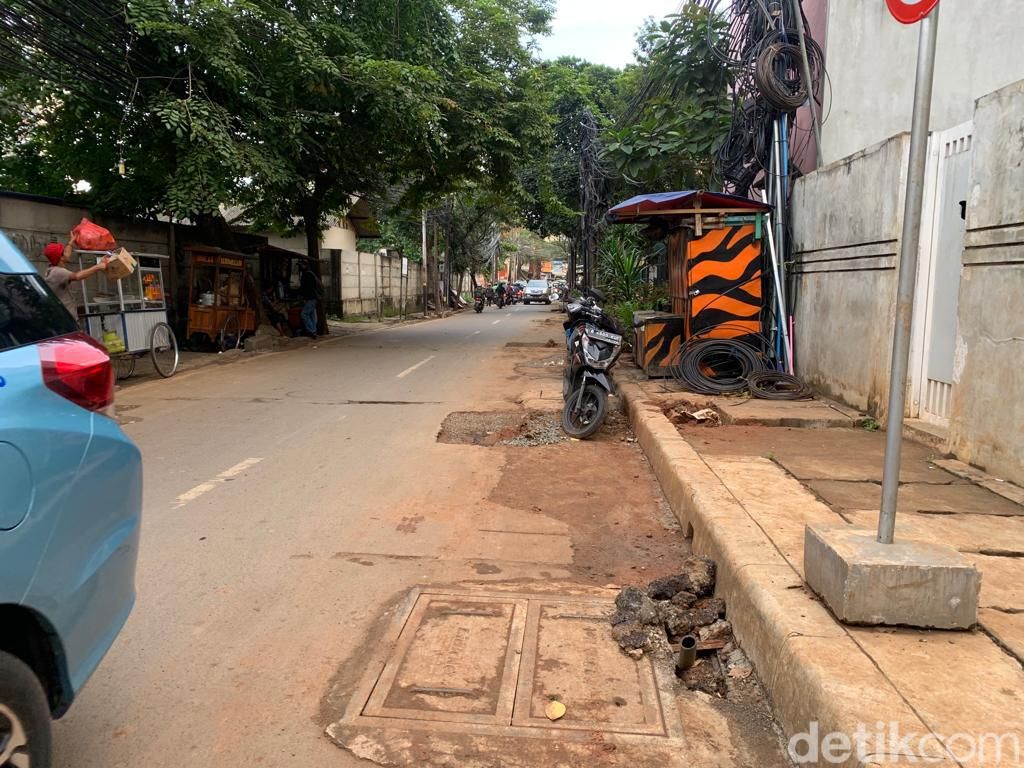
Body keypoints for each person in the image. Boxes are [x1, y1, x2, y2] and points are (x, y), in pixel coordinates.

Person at [42, 241, 108, 319]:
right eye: (64, 252)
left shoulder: (53, 268)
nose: (67, 253)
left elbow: (67, 254)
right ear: (61, 257)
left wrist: (71, 242)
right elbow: (77, 276)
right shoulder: (57, 272)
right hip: (66, 320)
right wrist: (98, 266)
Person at [299, 263, 323, 338]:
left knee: (304, 314)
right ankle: (313, 331)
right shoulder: (310, 274)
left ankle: (312, 330)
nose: (300, 267)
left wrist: (299, 293)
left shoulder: (308, 275)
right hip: (313, 298)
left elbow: (307, 288)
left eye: (301, 265)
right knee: (312, 315)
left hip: (311, 298)